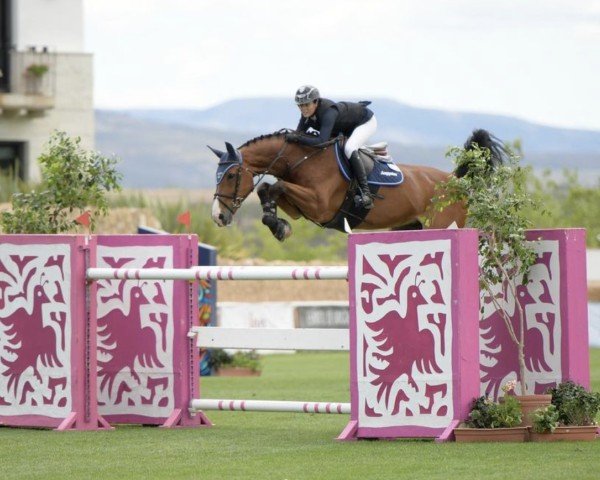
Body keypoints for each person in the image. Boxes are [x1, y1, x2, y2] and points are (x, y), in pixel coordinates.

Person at [285, 85, 377, 209]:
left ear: (316, 102)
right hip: (347, 126)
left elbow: (321, 141)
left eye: (306, 104)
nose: (303, 109)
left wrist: (297, 138)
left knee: (349, 148)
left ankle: (366, 194)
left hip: (365, 122)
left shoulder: (329, 112)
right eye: (300, 105)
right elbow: (299, 133)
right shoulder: (306, 115)